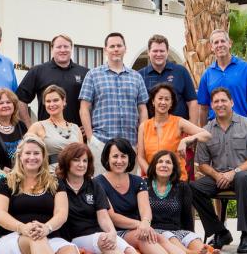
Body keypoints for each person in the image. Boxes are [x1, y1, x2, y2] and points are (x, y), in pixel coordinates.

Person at [191, 87, 247, 253]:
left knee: (242, 178)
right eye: (216, 101)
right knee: (192, 188)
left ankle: (246, 235)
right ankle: (220, 232)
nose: (220, 104)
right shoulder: (206, 130)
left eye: (223, 100)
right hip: (220, 177)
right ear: (211, 105)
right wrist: (217, 175)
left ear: (231, 102)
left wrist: (234, 172)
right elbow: (202, 163)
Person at [94, 138, 181, 254]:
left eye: (123, 156)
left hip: (138, 229)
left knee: (159, 237)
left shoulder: (138, 181)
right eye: (115, 156)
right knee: (144, 238)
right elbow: (112, 216)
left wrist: (145, 222)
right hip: (113, 232)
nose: (119, 161)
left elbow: (145, 210)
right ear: (107, 158)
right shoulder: (98, 183)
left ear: (129, 159)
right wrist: (140, 224)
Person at [0, 135, 75, 254]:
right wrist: (23, 228)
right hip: (13, 236)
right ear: (20, 156)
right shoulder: (7, 181)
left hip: (49, 235)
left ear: (43, 156)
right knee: (36, 239)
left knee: (69, 249)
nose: (32, 157)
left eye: (36, 153)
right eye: (28, 153)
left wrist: (47, 228)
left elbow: (61, 213)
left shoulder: (55, 182)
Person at [80, 32, 148, 175]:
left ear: (125, 48)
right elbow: (84, 108)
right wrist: (91, 138)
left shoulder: (136, 77)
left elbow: (142, 110)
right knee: (100, 186)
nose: (116, 49)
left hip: (130, 143)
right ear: (106, 50)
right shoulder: (93, 75)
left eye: (119, 46)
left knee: (128, 188)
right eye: (112, 46)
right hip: (101, 142)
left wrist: (140, 139)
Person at [137, 35, 200, 180]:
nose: (158, 54)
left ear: (167, 51)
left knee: (184, 176)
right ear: (149, 52)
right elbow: (141, 107)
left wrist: (190, 134)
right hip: (152, 133)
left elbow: (192, 102)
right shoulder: (140, 75)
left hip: (179, 131)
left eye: (162, 51)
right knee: (152, 175)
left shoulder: (180, 72)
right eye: (155, 51)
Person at [56, 142, 135, 254]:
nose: (81, 164)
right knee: (106, 243)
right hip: (75, 237)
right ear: (67, 161)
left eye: (85, 161)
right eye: (76, 160)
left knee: (130, 250)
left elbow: (103, 216)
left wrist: (112, 232)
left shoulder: (94, 185)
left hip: (100, 235)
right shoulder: (58, 185)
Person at [136, 83, 211, 181]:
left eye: (167, 99)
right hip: (151, 178)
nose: (163, 102)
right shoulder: (144, 126)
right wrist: (152, 176)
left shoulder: (178, 122)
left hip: (176, 179)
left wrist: (186, 140)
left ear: (171, 103)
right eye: (160, 98)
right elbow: (140, 157)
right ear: (153, 101)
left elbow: (207, 135)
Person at [17, 34, 88, 127]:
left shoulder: (85, 73)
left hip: (76, 134)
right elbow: (20, 100)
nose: (62, 50)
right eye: (58, 47)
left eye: (66, 46)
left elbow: (94, 103)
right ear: (52, 49)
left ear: (71, 48)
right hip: (47, 134)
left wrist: (88, 127)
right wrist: (29, 126)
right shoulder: (38, 71)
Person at [196, 29, 247, 125]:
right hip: (215, 130)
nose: (220, 45)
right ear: (211, 47)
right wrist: (203, 133)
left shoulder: (246, 68)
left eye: (223, 41)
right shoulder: (207, 74)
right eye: (216, 42)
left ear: (229, 44)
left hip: (241, 127)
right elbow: (203, 108)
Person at [147, 150, 207, 254]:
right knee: (169, 236)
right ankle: (188, 252)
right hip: (155, 232)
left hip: (178, 231)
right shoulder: (144, 185)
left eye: (168, 162)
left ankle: (205, 251)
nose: (164, 165)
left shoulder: (182, 187)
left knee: (195, 240)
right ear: (154, 166)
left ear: (174, 167)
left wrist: (190, 234)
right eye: (160, 161)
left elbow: (187, 217)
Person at [27, 85, 83, 173]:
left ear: (64, 101)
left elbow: (82, 155)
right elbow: (23, 151)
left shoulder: (76, 128)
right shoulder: (38, 126)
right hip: (51, 175)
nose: (52, 104)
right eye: (48, 101)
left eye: (55, 100)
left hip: (74, 175)